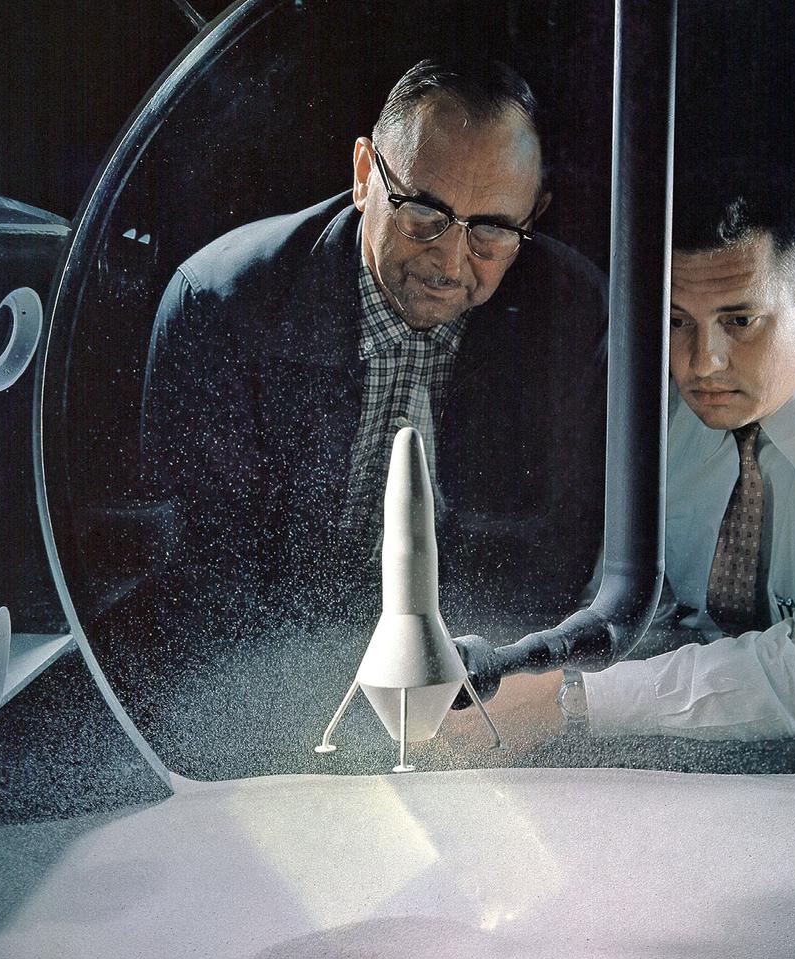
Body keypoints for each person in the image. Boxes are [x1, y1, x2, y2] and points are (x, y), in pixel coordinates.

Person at [457, 160, 795, 770]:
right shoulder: (666, 414)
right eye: (678, 321)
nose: (703, 364)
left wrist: (567, 701)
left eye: (739, 321)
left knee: (768, 773)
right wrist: (513, 673)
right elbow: (628, 614)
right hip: (718, 672)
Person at [141, 58, 607, 620]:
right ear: (364, 175)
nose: (449, 262)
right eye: (425, 212)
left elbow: (555, 566)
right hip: (271, 651)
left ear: (533, 216)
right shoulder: (219, 307)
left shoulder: (579, 317)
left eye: (492, 229)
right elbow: (204, 575)